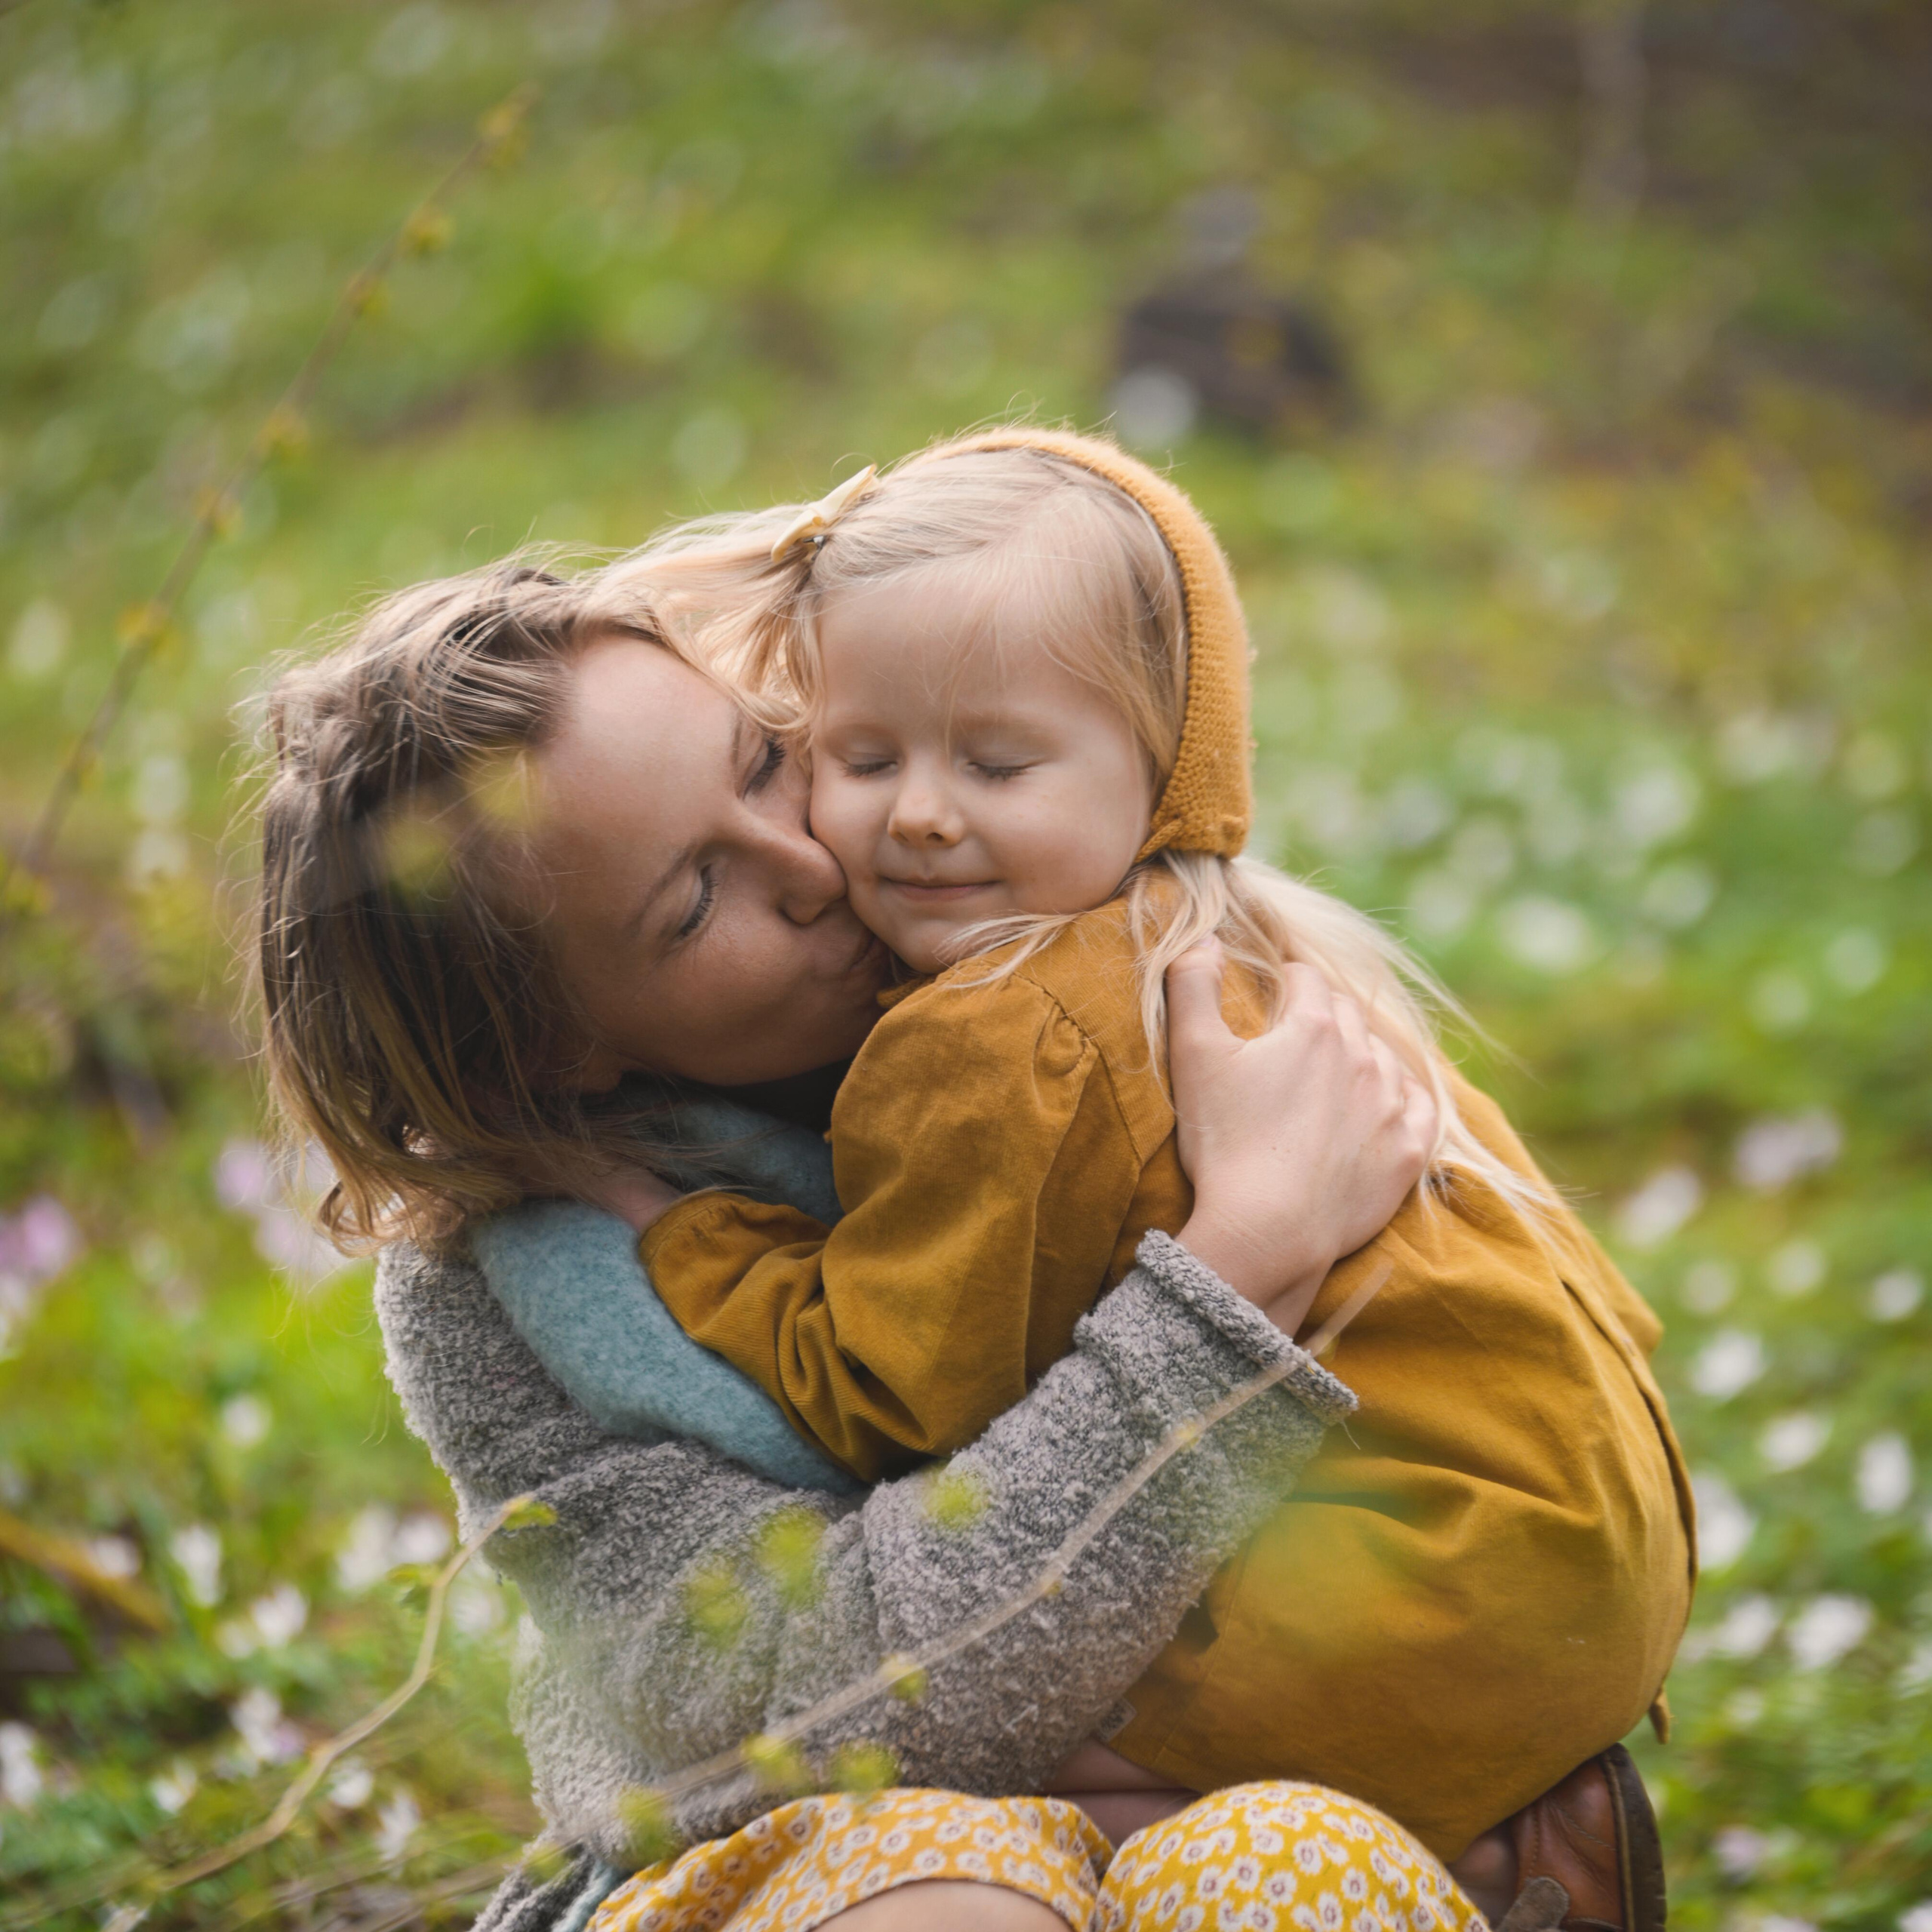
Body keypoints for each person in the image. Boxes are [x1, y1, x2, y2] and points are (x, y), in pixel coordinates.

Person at [476, 430, 1695, 1862]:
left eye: (997, 762)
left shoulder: (995, 1039)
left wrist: (699, 1243)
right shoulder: (1233, 946)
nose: (920, 815)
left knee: (981, 1777)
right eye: (864, 757)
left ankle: (1464, 1857)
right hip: (1588, 1534)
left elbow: (885, 1392)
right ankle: (1510, 1837)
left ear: (1164, 762)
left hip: (1418, 1577)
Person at [257, 555, 1502, 1930]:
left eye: (766, 761)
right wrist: (1238, 1274)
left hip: (1223, 1802)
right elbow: (823, 1698)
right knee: (948, 1893)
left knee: (1299, 1863)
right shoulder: (513, 1286)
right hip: (800, 1875)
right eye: (692, 903)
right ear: (545, 1052)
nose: (813, 867)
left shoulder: (1100, 974)